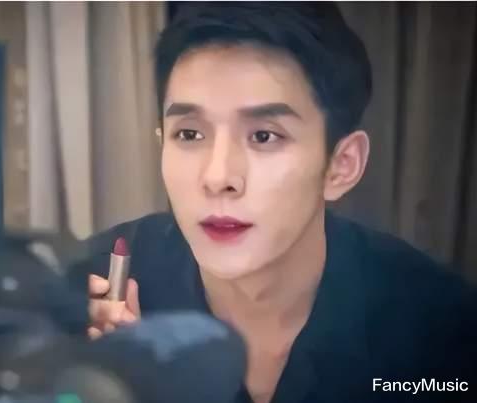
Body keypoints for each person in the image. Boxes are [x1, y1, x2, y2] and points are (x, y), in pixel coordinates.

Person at [67, 3, 477, 403]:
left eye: (264, 136)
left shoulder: (442, 330)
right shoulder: (90, 290)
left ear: (341, 165)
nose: (218, 177)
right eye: (189, 134)